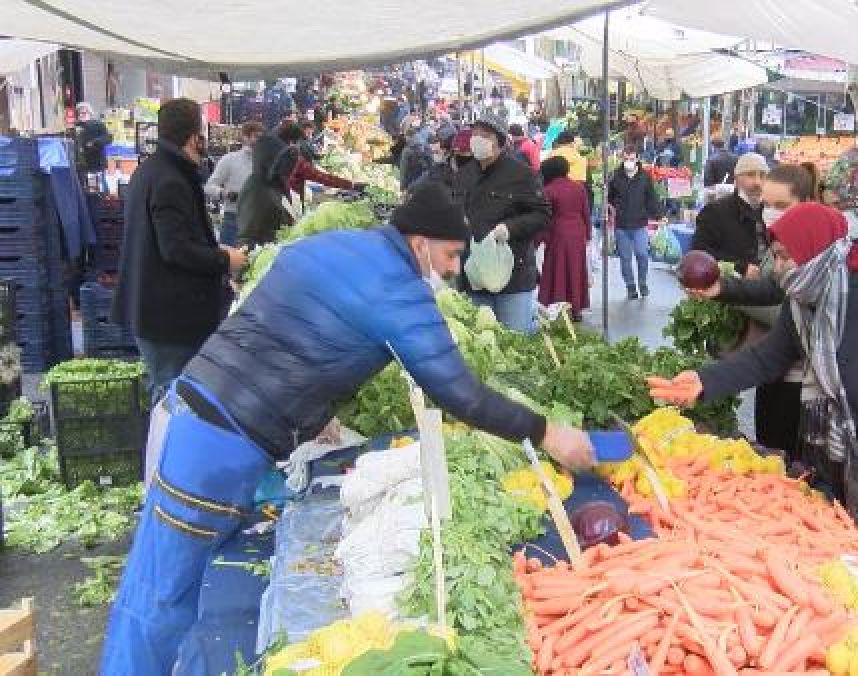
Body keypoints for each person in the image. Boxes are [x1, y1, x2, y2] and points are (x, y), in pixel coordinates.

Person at [99, 182, 595, 675]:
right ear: (419, 243)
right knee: (160, 593)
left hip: (196, 411)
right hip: (219, 443)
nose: (452, 268)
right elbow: (460, 394)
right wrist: (546, 432)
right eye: (450, 254)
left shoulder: (331, 246)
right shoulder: (397, 291)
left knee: (165, 582)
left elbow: (286, 324)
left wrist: (314, 409)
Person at [651, 202, 858, 580]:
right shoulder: (805, 302)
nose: (776, 267)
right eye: (774, 256)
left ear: (813, 250)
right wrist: (704, 381)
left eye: (782, 256)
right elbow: (768, 358)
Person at [111, 99, 247, 403]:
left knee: (170, 392)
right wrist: (226, 260)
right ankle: (161, 450)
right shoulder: (170, 179)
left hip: (155, 312)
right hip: (168, 318)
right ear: (193, 137)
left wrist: (215, 248)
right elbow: (176, 249)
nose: (206, 142)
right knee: (173, 398)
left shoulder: (151, 171)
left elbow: (167, 239)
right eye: (203, 134)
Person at [687, 163, 820, 463]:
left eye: (781, 205)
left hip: (806, 382)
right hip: (777, 369)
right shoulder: (776, 243)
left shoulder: (821, 256)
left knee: (800, 465)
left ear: (806, 205)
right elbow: (773, 289)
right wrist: (722, 289)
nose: (772, 212)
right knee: (775, 456)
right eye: (768, 205)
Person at [462, 113, 550, 333]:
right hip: (475, 276)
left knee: (515, 341)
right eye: (475, 134)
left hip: (514, 277)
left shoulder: (522, 175)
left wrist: (509, 229)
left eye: (485, 135)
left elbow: (542, 214)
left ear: (500, 142)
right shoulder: (465, 174)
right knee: (482, 343)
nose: (477, 140)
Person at [691, 152, 768, 275]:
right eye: (750, 175)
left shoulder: (771, 211)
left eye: (762, 175)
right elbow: (700, 254)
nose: (757, 182)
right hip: (728, 288)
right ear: (736, 179)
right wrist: (740, 268)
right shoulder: (715, 212)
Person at [607, 145, 663, 300]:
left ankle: (642, 282)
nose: (628, 162)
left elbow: (652, 198)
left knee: (642, 254)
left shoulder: (644, 177)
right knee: (625, 258)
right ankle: (630, 286)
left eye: (631, 159)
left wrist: (659, 215)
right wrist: (610, 209)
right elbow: (608, 197)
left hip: (639, 223)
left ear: (637, 159)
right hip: (621, 224)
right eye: (625, 159)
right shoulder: (615, 176)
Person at [538, 157, 590, 322]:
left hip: (558, 234)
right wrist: (587, 234)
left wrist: (538, 240)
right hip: (578, 233)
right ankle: (576, 309)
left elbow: (545, 219)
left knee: (558, 271)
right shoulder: (579, 188)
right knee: (576, 271)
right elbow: (586, 213)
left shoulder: (549, 190)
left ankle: (555, 305)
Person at [236, 132, 301, 247]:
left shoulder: (274, 183)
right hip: (265, 257)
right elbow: (247, 237)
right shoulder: (255, 189)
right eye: (281, 161)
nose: (286, 165)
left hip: (277, 252)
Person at [205, 121, 263, 246]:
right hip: (233, 219)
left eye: (261, 137)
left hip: (257, 222)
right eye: (255, 136)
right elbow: (209, 187)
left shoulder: (265, 163)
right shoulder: (229, 159)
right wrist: (225, 194)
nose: (258, 141)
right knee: (229, 262)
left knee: (256, 263)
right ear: (245, 137)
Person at [277, 122, 363, 197]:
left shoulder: (269, 152)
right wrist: (351, 185)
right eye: (297, 142)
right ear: (292, 142)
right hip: (286, 201)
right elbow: (320, 176)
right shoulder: (294, 159)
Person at [75, 102, 112, 172]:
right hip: (81, 164)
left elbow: (108, 138)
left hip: (96, 162)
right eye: (79, 113)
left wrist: (94, 142)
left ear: (90, 113)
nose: (81, 115)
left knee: (95, 181)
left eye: (83, 113)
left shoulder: (98, 124)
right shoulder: (76, 126)